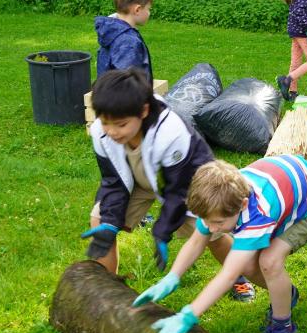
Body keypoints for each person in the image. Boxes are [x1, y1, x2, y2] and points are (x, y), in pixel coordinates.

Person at [80, 69, 255, 301]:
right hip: (136, 177)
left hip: (183, 182)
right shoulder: (101, 132)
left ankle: (237, 276)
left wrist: (162, 232)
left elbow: (176, 193)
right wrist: (111, 225)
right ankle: (108, 293)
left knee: (211, 232)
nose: (111, 131)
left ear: (143, 111)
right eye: (105, 123)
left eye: (120, 124)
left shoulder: (170, 132)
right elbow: (113, 182)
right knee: (101, 220)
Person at [133, 155, 307, 333]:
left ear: (243, 205)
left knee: (269, 262)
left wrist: (188, 315)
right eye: (207, 221)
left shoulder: (256, 215)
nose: (211, 228)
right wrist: (172, 277)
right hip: (285, 183)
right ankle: (286, 294)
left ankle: (283, 328)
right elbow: (196, 241)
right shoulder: (215, 203)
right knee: (248, 264)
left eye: (218, 223)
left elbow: (228, 275)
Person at [95, 0, 154, 83]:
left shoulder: (111, 31)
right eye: (149, 9)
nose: (149, 13)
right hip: (124, 97)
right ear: (137, 10)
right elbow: (129, 82)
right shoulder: (128, 41)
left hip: (107, 92)